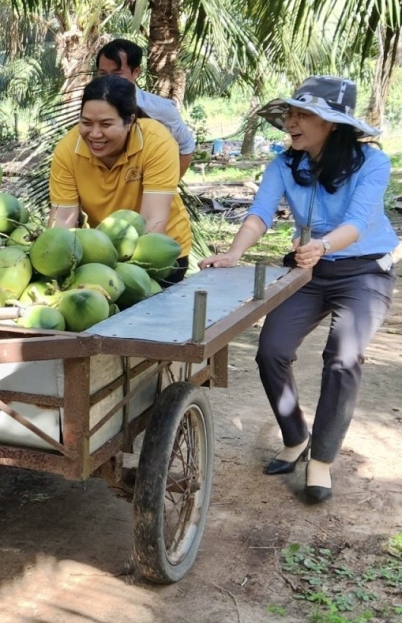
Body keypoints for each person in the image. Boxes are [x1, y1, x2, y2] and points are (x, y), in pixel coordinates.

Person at [199, 76, 396, 504]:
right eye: (290, 112)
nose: (291, 121)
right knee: (271, 349)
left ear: (333, 124)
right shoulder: (285, 165)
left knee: (343, 358)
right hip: (309, 271)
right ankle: (295, 437)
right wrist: (233, 253)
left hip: (364, 271)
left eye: (303, 114)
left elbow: (359, 222)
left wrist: (323, 244)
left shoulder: (372, 163)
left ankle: (321, 459)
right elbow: (260, 213)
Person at [49, 74, 192, 282]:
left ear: (130, 121)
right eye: (86, 123)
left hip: (160, 251)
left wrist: (119, 273)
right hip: (103, 255)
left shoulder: (157, 142)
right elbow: (62, 220)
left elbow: (153, 222)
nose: (95, 134)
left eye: (106, 124)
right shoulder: (67, 150)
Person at [96, 38, 196, 177]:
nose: (108, 80)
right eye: (102, 74)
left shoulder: (161, 109)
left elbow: (186, 146)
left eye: (117, 74)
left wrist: (168, 186)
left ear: (136, 72)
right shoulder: (92, 109)